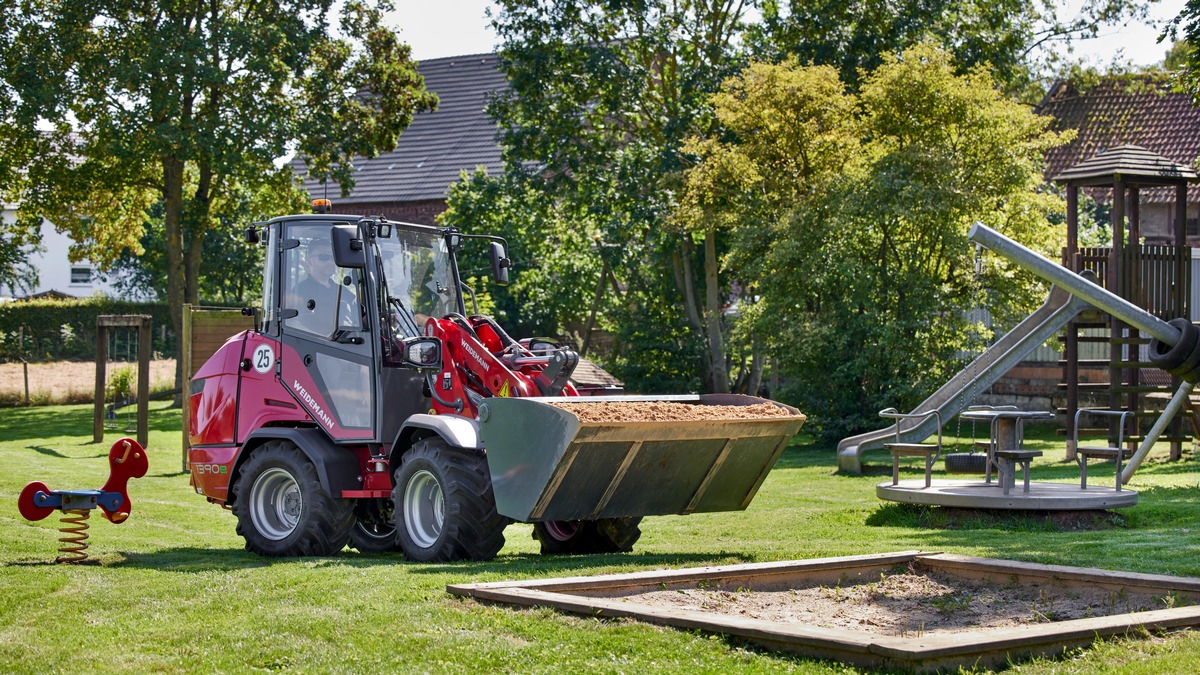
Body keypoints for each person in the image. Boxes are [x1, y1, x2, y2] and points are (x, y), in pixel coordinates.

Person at [294, 247, 358, 336]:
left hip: (346, 345)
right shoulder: (299, 290)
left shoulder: (342, 291)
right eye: (324, 257)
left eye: (333, 258)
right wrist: (325, 338)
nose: (330, 262)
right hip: (314, 346)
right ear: (309, 261)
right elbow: (293, 324)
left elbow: (361, 315)